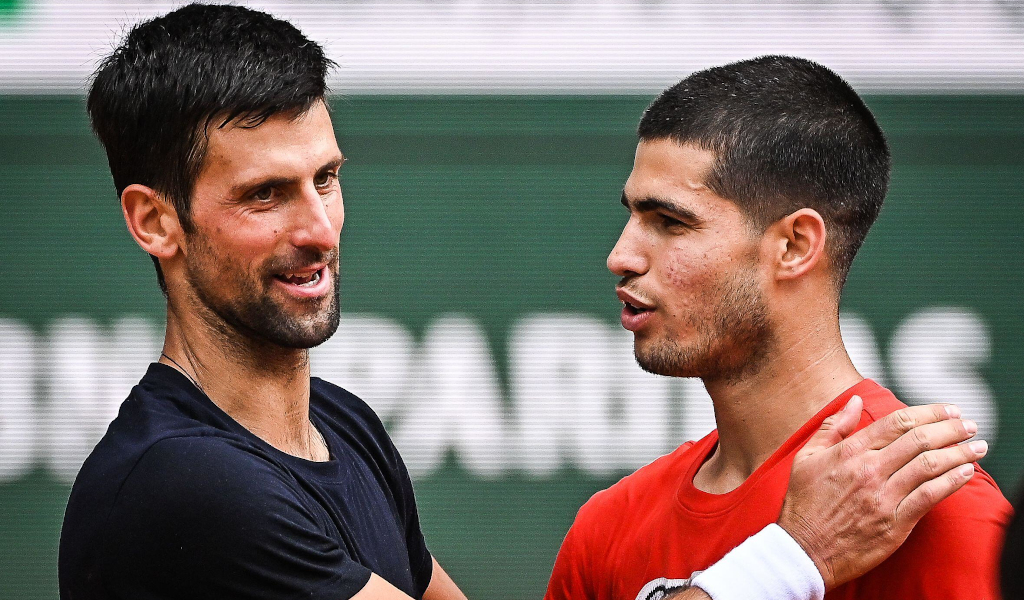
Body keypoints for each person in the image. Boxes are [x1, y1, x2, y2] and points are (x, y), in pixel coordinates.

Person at [57, 6, 988, 600]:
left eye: (328, 179)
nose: (319, 228)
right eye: (266, 195)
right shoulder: (184, 486)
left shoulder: (342, 426)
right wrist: (789, 560)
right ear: (155, 222)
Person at [544, 55, 1013, 600]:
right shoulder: (609, 530)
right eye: (631, 216)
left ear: (794, 246)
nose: (621, 256)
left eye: (671, 223)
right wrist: (788, 562)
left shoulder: (941, 519)